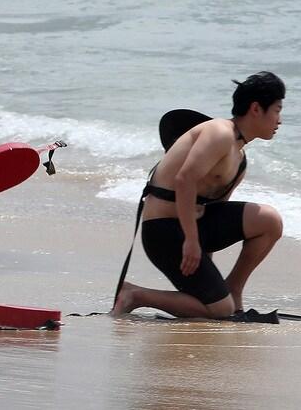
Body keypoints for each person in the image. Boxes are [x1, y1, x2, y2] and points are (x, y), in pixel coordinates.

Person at [113, 73, 287, 319]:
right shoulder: (220, 132)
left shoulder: (240, 161)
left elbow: (215, 212)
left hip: (191, 230)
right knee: (221, 310)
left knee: (270, 221)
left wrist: (208, 279)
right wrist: (192, 242)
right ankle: (135, 294)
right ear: (256, 108)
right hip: (164, 232)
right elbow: (185, 179)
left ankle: (233, 289)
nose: (280, 120)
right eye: (277, 110)